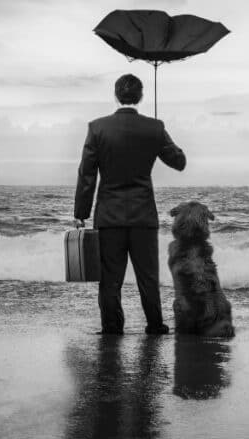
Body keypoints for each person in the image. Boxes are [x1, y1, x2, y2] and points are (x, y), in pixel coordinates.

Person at [74, 73, 186, 335]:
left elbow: (86, 174)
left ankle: (112, 328)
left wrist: (81, 214)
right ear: (141, 96)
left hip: (109, 218)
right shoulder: (154, 128)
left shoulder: (97, 128)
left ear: (116, 95)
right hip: (143, 217)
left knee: (110, 280)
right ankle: (155, 325)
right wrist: (159, 134)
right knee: (148, 277)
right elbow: (179, 162)